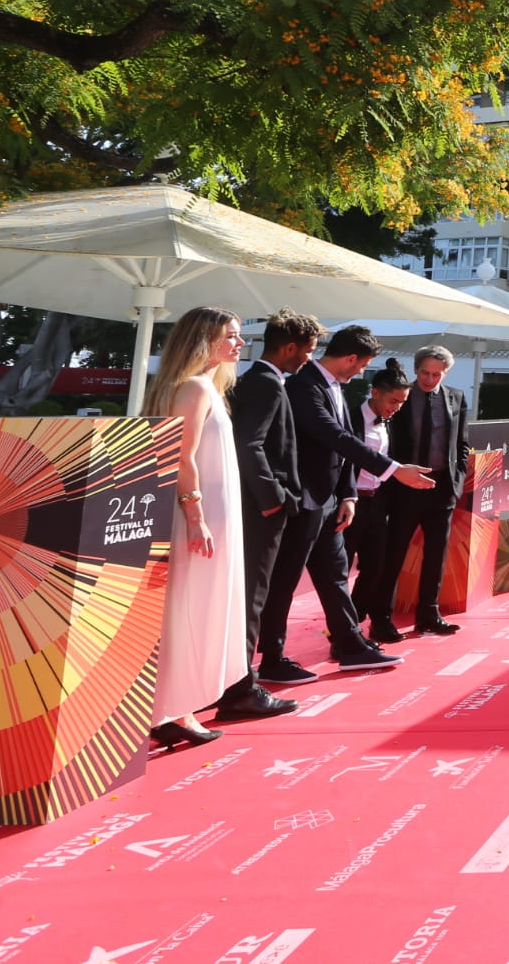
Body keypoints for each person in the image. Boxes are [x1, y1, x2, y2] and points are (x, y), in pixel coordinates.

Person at [270, 326, 430, 682]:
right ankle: (272, 657)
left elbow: (341, 449)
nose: (361, 372)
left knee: (335, 576)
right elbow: (333, 435)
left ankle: (350, 644)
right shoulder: (303, 385)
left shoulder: (335, 387)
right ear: (351, 358)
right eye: (362, 365)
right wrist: (392, 469)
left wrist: (347, 494)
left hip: (329, 502)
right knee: (285, 581)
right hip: (302, 500)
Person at [144, 306, 248, 749]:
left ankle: (177, 710)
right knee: (189, 610)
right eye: (232, 335)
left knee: (198, 609)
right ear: (204, 340)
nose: (239, 344)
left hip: (212, 517)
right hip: (199, 520)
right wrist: (196, 517)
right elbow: (181, 459)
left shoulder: (205, 387)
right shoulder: (193, 389)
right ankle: (172, 711)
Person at [217, 309, 324, 722]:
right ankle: (240, 690)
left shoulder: (260, 382)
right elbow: (251, 445)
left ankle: (235, 683)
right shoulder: (266, 385)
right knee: (251, 600)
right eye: (308, 351)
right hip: (260, 511)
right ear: (291, 347)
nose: (309, 360)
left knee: (250, 598)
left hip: (257, 506)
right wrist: (273, 499)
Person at [370, 345, 470, 641]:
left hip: (442, 488)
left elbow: (461, 443)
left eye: (436, 374)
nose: (429, 379)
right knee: (394, 554)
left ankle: (429, 613)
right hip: (404, 488)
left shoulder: (456, 397)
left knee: (437, 554)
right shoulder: (400, 396)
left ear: (446, 373)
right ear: (415, 370)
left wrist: (457, 480)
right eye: (425, 372)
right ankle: (381, 618)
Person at [345, 359, 412, 625]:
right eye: (393, 401)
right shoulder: (349, 418)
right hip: (350, 503)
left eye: (402, 403)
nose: (397, 408)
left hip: (377, 503)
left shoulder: (390, 422)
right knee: (341, 569)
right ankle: (342, 628)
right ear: (375, 392)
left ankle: (354, 618)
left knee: (375, 567)